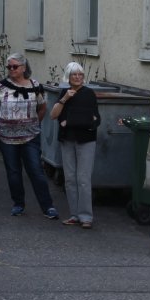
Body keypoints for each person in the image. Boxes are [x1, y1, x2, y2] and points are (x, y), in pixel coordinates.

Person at [0, 53, 57, 219]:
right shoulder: (1, 86)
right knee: (13, 171)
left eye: (15, 66)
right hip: (5, 137)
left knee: (36, 170)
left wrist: (33, 123)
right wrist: (2, 122)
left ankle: (48, 206)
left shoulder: (35, 86)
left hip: (30, 136)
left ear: (24, 67)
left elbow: (42, 107)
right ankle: (18, 204)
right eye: (9, 67)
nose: (11, 69)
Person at [51, 62, 101, 228]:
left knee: (83, 179)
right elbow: (53, 115)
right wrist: (65, 99)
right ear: (68, 76)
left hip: (86, 140)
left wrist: (71, 121)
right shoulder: (64, 93)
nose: (78, 77)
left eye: (80, 74)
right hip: (67, 140)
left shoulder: (88, 93)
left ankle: (86, 217)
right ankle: (74, 215)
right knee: (70, 179)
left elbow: (95, 119)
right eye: (74, 74)